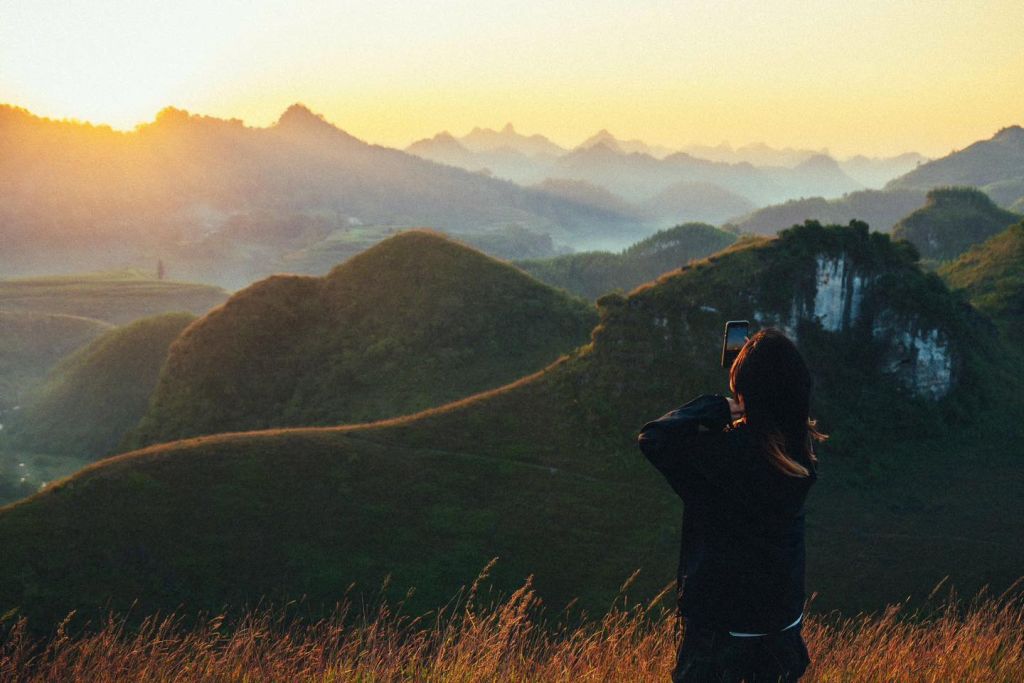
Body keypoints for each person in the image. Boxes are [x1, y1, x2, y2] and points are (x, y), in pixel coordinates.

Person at [637, 328, 824, 682]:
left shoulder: (720, 459)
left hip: (720, 638)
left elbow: (654, 438)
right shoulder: (801, 455)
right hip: (781, 633)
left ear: (744, 392)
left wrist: (719, 406)